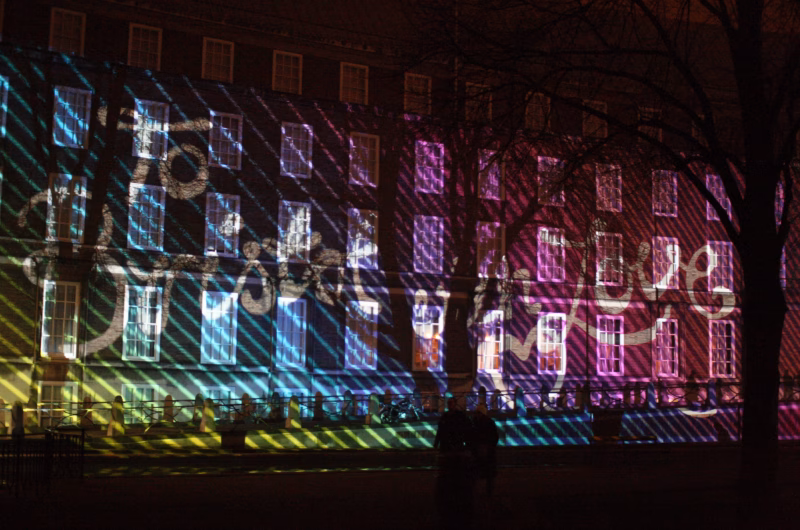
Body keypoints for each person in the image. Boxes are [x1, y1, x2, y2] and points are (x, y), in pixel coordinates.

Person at [434, 398, 474, 529]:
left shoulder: (456, 416)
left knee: (454, 469)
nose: (449, 406)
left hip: (455, 446)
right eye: (448, 404)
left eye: (451, 404)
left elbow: (466, 430)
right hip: (448, 447)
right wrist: (437, 443)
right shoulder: (449, 416)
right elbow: (441, 431)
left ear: (454, 404)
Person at [470, 404, 499, 499]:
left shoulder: (474, 423)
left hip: (478, 451)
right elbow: (495, 437)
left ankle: (476, 493)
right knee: (488, 474)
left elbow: (471, 437)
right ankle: (488, 493)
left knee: (477, 473)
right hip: (488, 451)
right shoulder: (489, 422)